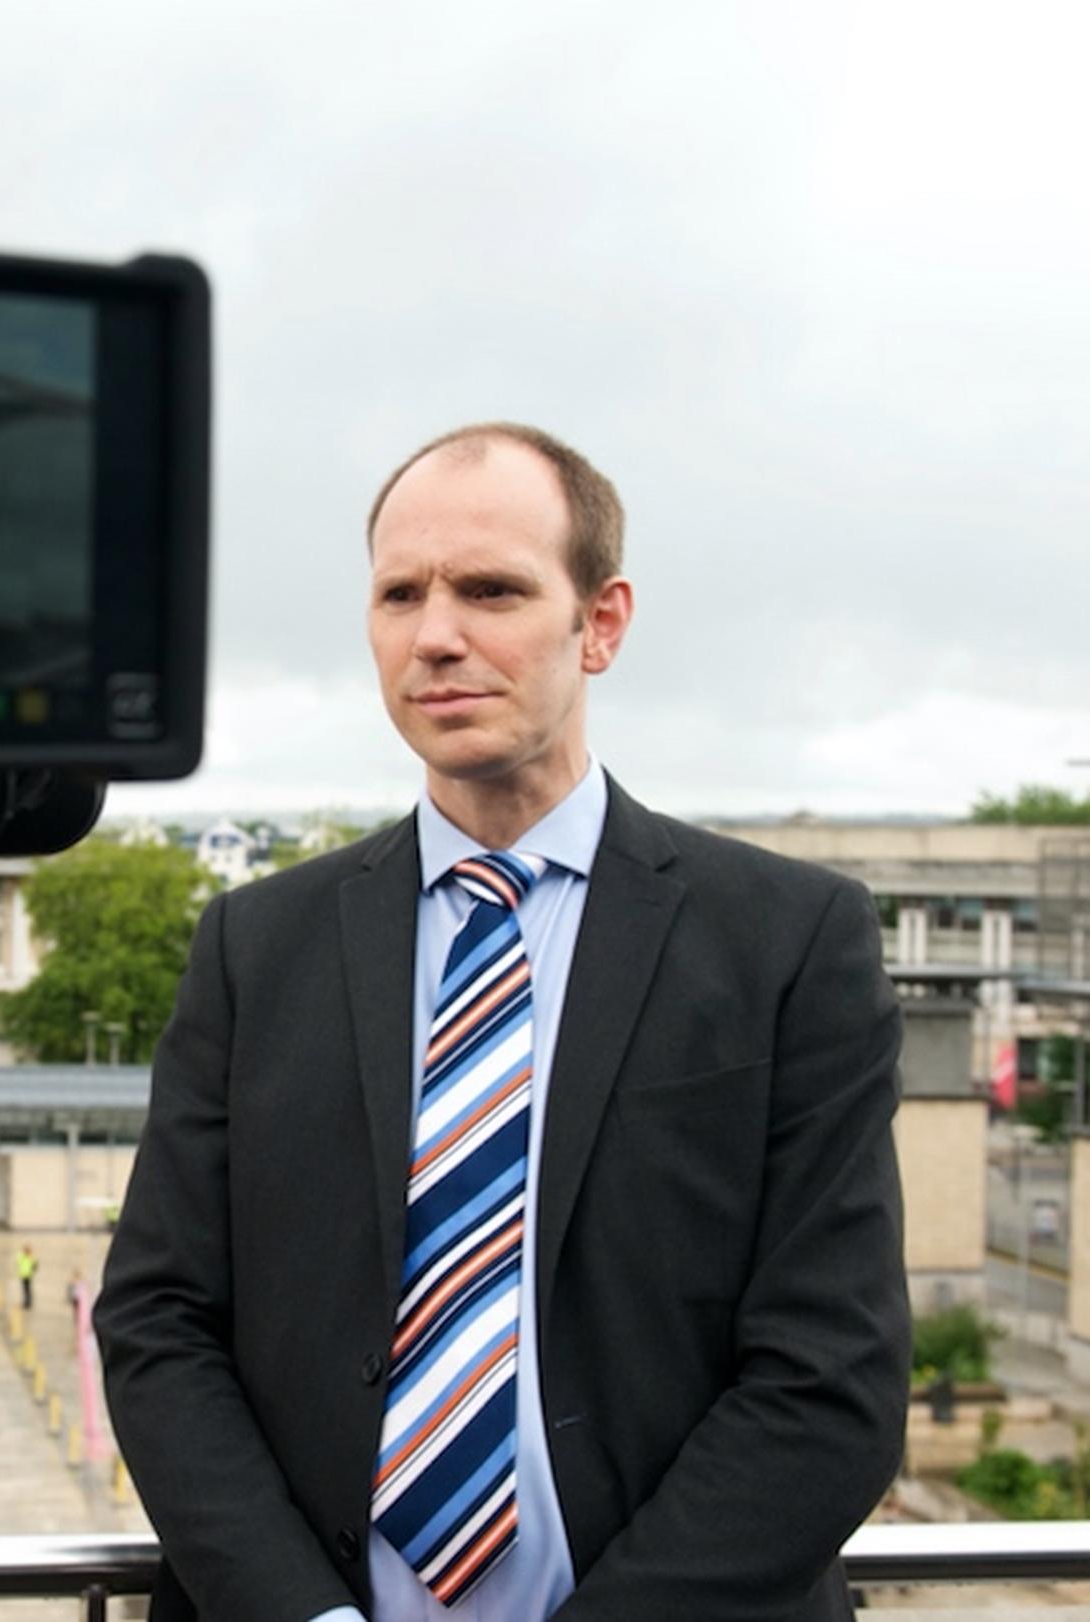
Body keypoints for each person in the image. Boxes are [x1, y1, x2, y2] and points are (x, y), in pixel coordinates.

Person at [95, 424, 908, 1621]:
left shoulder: (787, 942)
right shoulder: (252, 948)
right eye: (398, 593)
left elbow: (830, 1376)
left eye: (489, 589)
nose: (434, 634)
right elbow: (158, 1320)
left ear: (602, 621)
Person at [16, 1241, 38, 1311]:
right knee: (25, 1290)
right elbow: (18, 1262)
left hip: (28, 1275)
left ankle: (28, 1303)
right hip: (23, 1274)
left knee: (27, 1290)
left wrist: (33, 1270)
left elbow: (35, 1264)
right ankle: (26, 1302)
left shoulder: (31, 1256)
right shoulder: (22, 1255)